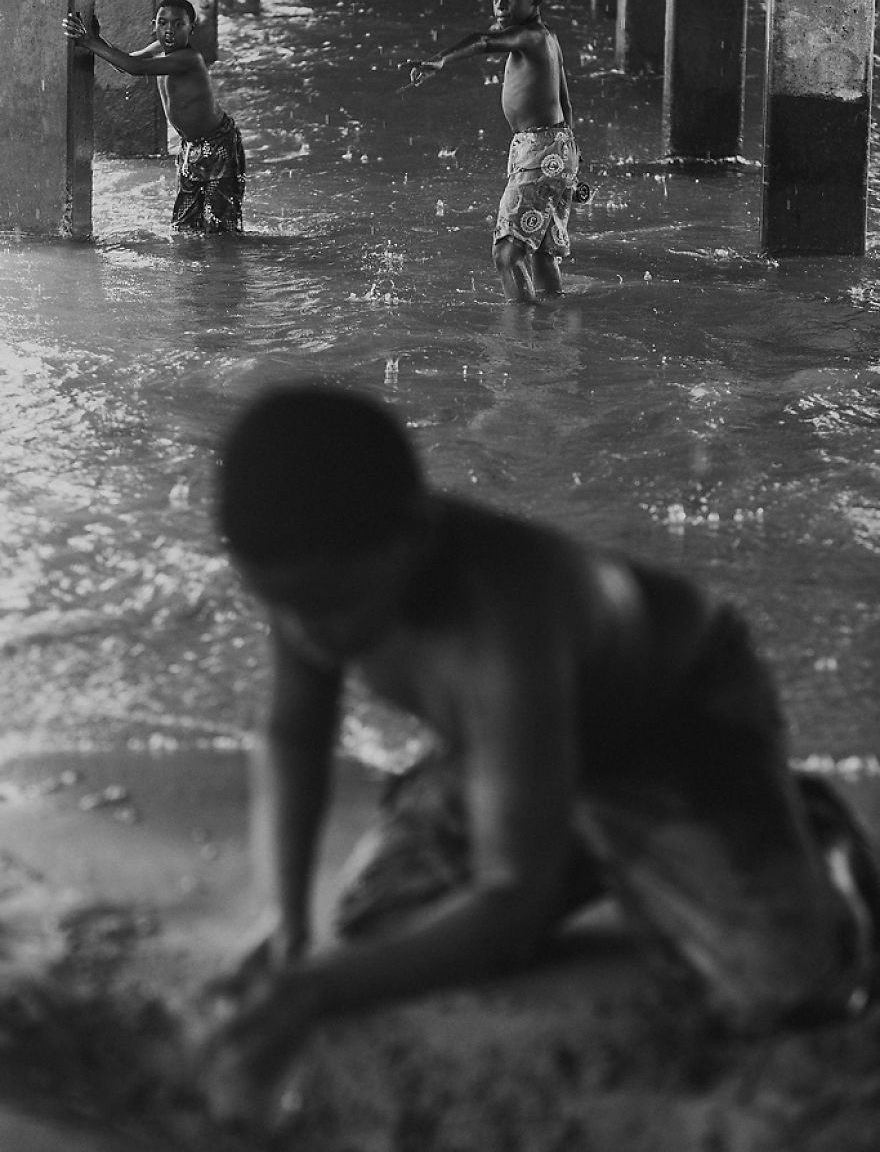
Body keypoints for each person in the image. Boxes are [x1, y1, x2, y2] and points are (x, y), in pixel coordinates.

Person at [202, 383, 879, 1130]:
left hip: (674, 727)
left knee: (785, 990)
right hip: (515, 746)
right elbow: (294, 735)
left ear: (417, 535)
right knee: (379, 925)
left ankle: (803, 829)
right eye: (283, 607)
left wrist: (318, 992)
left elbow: (512, 892)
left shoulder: (504, 614)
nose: (312, 637)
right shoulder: (312, 579)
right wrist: (288, 925)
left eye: (334, 608)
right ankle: (557, 816)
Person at [406, 0, 579, 304]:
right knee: (543, 252)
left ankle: (522, 333)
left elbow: (484, 40)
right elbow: (566, 102)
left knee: (507, 253)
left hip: (540, 151)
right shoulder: (546, 38)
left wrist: (441, 60)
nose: (501, 5)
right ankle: (551, 325)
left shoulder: (530, 36)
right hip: (557, 149)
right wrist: (569, 167)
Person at [63, 0, 245, 235]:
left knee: (221, 226)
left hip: (218, 145)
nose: (169, 30)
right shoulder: (160, 49)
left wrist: (91, 42)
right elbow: (126, 63)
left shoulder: (189, 59)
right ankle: (196, 268)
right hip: (192, 147)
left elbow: (135, 68)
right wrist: (98, 40)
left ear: (192, 28)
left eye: (178, 24)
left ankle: (226, 269)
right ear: (154, 25)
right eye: (163, 23)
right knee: (186, 226)